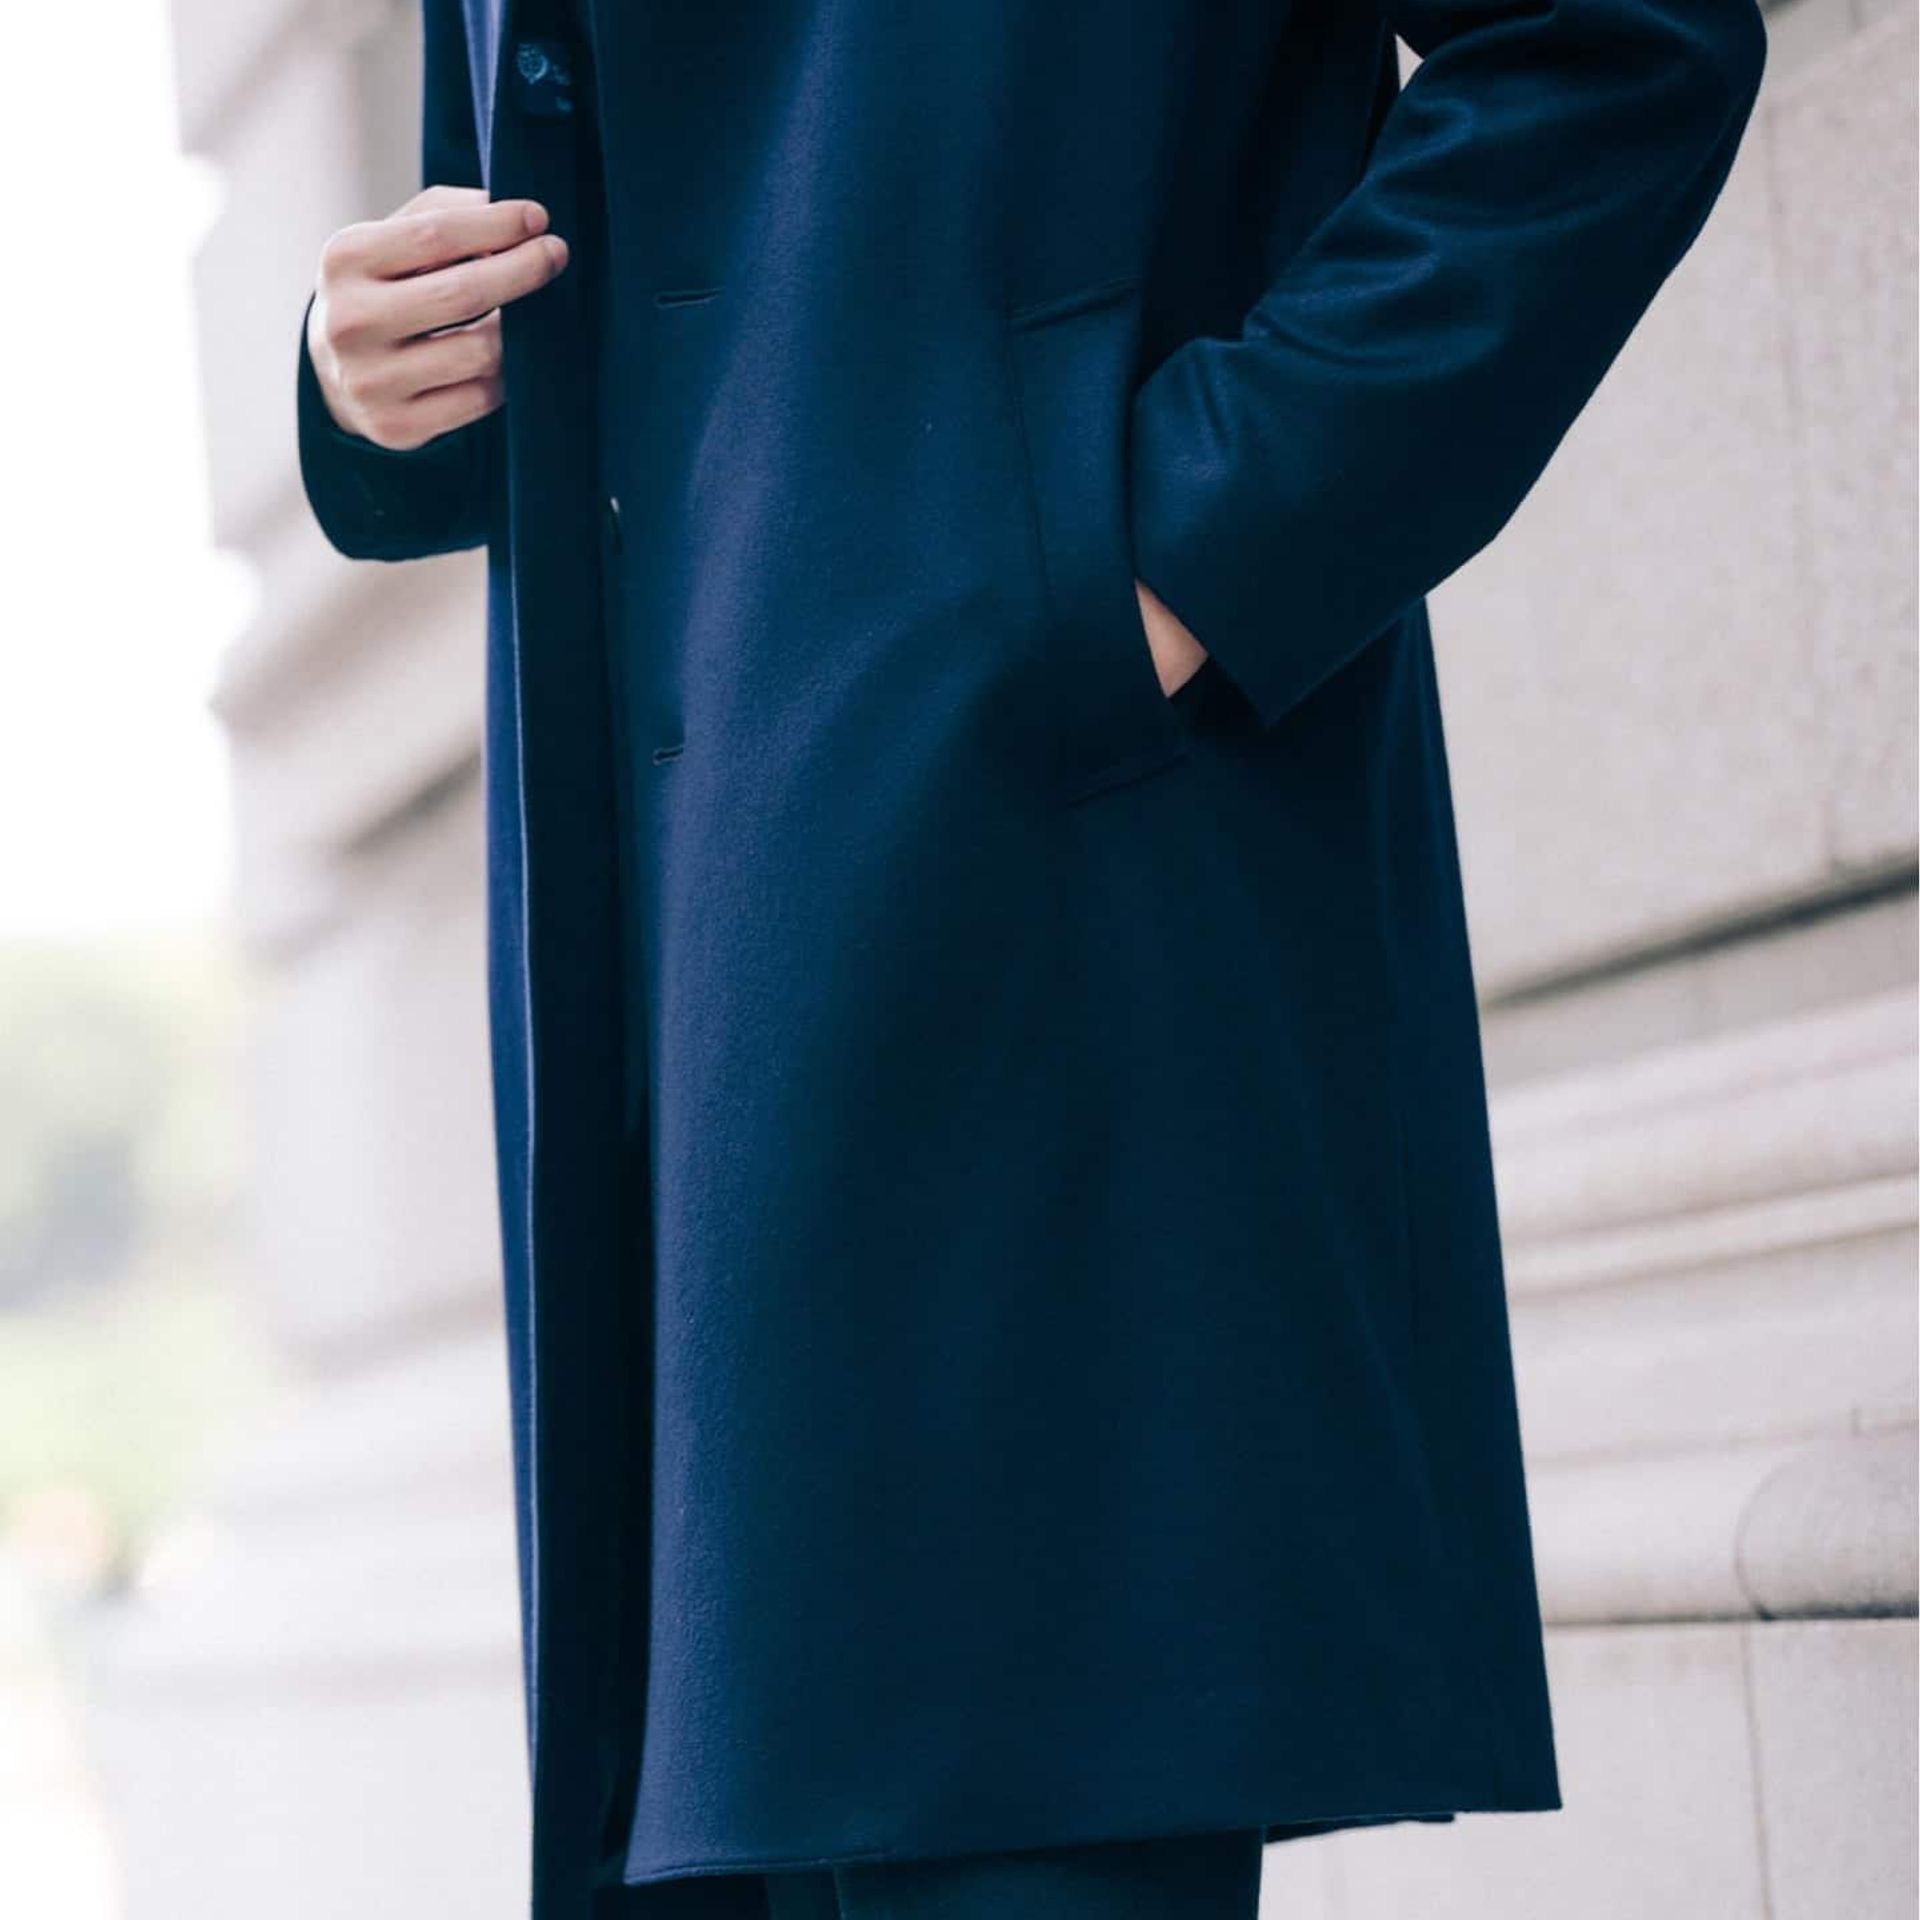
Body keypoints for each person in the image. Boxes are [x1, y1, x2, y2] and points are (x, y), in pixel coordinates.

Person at [296, 1, 1767, 1916]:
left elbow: (1616, 45)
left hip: (1039, 956)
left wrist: (1172, 557)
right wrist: (376, 371)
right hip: (670, 1050)